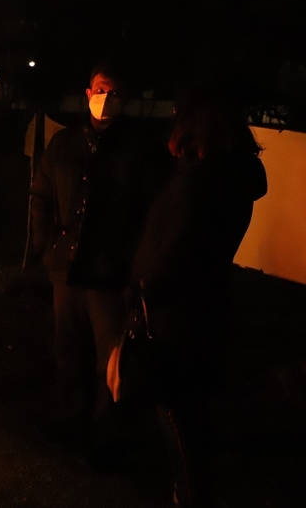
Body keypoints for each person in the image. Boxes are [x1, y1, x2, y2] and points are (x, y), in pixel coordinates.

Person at [130, 83, 267, 507]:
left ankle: (189, 495)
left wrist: (144, 287)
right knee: (190, 410)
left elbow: (175, 251)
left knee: (176, 410)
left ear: (197, 125)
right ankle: (193, 488)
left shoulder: (201, 183)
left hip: (178, 316)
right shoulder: (230, 176)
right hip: (203, 307)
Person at [29, 63, 169, 455]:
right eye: (101, 90)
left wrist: (128, 261)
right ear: (88, 93)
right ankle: (70, 420)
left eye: (115, 93)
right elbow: (40, 194)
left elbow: (153, 216)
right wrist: (45, 246)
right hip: (66, 270)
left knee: (110, 361)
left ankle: (105, 437)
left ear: (125, 100)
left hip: (109, 276)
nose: (106, 99)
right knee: (68, 353)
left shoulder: (141, 151)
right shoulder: (64, 143)